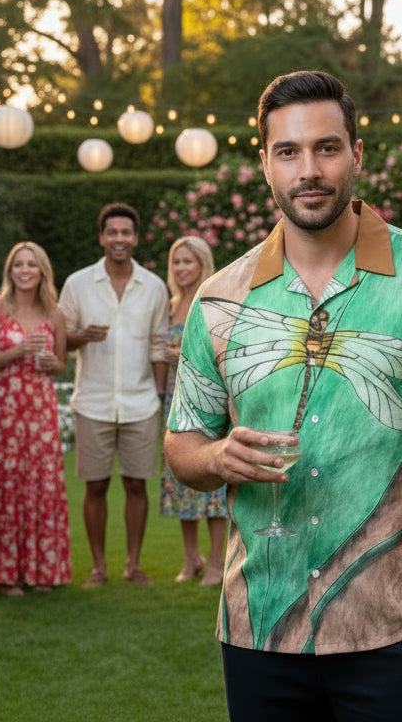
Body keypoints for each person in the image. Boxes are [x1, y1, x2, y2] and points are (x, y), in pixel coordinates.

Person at [164, 70, 402, 721]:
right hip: (257, 629)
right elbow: (183, 443)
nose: (309, 169)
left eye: (326, 147)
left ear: (357, 153)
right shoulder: (219, 300)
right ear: (264, 163)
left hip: (398, 630)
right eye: (288, 151)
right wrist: (215, 460)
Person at [60, 203, 170, 588]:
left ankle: (134, 564)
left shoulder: (154, 286)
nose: (119, 239)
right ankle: (98, 566)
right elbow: (63, 337)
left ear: (135, 239)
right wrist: (80, 336)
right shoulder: (77, 284)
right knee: (95, 486)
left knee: (137, 485)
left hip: (141, 403)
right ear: (101, 237)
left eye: (126, 233)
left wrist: (159, 396)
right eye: (112, 232)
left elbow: (159, 346)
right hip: (93, 401)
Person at [0, 241, 72, 596]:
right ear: (9, 271)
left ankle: (43, 570)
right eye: (18, 265)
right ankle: (6, 573)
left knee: (42, 484)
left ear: (43, 271)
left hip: (41, 407)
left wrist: (50, 364)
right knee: (7, 484)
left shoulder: (54, 312)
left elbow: (60, 364)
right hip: (6, 406)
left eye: (31, 264)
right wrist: (15, 352)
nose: (24, 270)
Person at [158, 236, 228, 586]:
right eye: (177, 262)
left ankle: (217, 563)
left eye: (188, 261)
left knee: (212, 487)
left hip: (207, 402)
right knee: (179, 481)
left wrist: (181, 355)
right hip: (174, 401)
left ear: (202, 264)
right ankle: (192, 560)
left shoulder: (212, 300)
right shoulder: (170, 307)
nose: (181, 268)